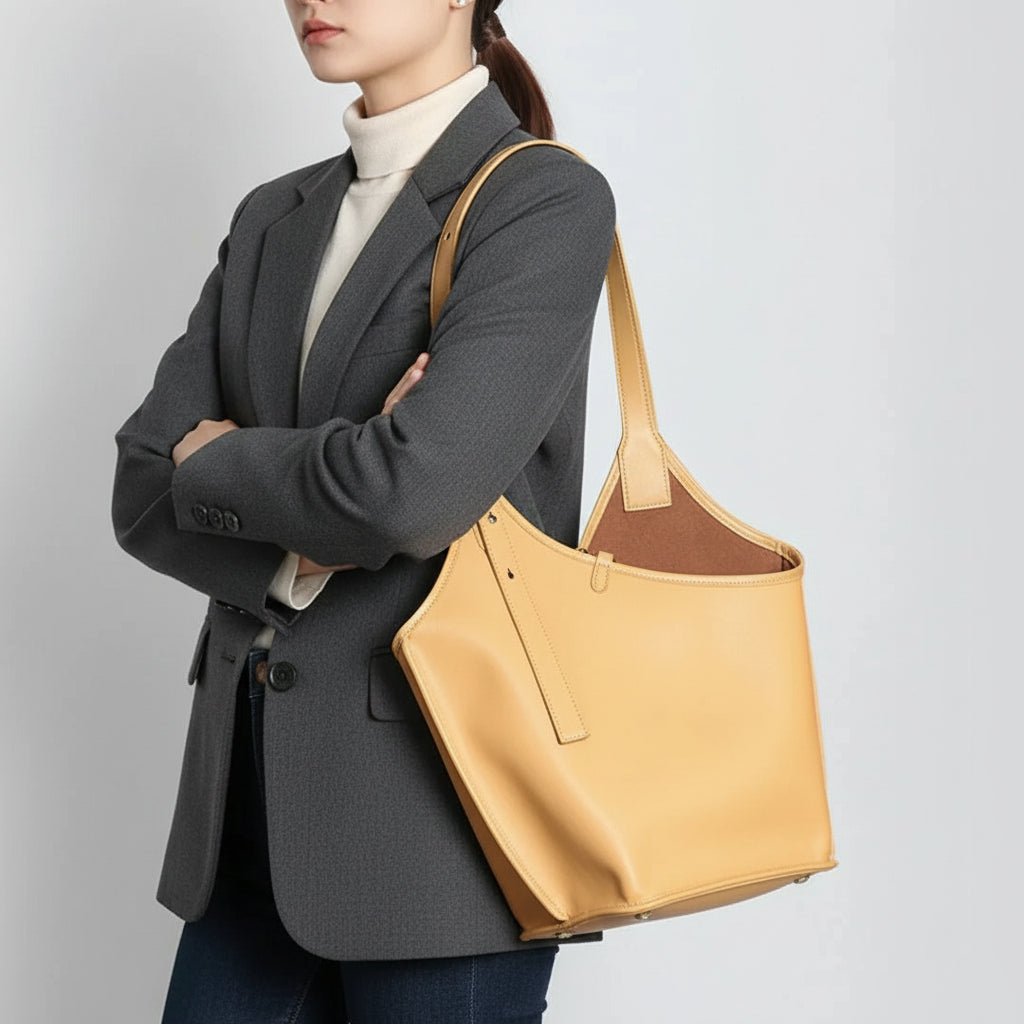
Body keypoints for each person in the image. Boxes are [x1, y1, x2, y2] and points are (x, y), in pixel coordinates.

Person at [111, 1, 617, 1020]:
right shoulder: (271, 217)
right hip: (243, 818)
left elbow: (409, 492)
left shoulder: (542, 200)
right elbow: (141, 486)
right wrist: (314, 537)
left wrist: (231, 462)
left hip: (440, 824)